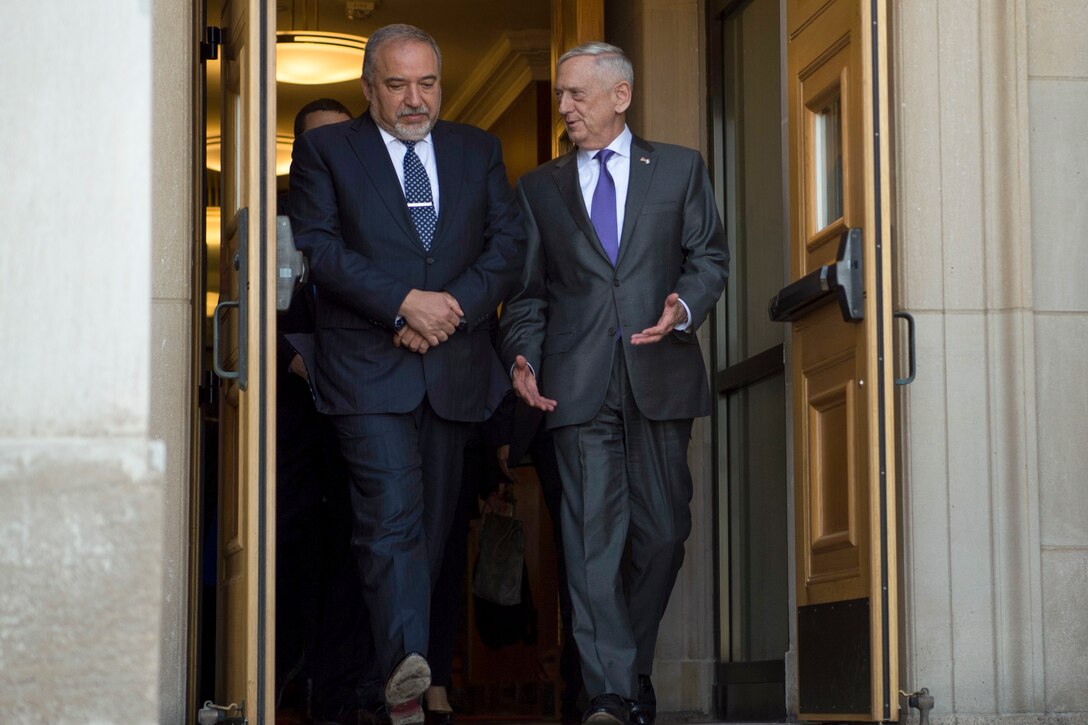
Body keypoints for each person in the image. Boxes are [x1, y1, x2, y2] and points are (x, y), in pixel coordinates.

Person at [288, 23, 525, 725]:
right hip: (367, 368)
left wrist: (452, 308)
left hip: (452, 366)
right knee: (388, 517)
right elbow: (320, 249)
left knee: (432, 529)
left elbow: (507, 246)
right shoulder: (329, 150)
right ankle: (406, 677)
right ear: (369, 89)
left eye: (428, 84)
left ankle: (405, 665)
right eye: (397, 85)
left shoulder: (476, 149)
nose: (415, 99)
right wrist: (402, 304)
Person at [498, 42, 729, 725]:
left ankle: (625, 674)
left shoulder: (681, 169)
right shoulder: (539, 188)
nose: (563, 105)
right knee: (591, 543)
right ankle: (606, 695)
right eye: (563, 93)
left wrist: (683, 306)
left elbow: (709, 258)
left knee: (662, 534)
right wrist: (522, 356)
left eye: (576, 93)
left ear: (619, 97)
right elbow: (528, 295)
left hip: (658, 374)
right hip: (575, 385)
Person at [274, 97, 358, 722]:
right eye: (318, 143)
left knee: (354, 545)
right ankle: (277, 678)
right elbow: (252, 298)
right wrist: (289, 357)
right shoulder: (271, 204)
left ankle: (338, 689)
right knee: (290, 540)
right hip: (285, 408)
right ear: (299, 149)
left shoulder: (368, 203)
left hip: (358, 399)